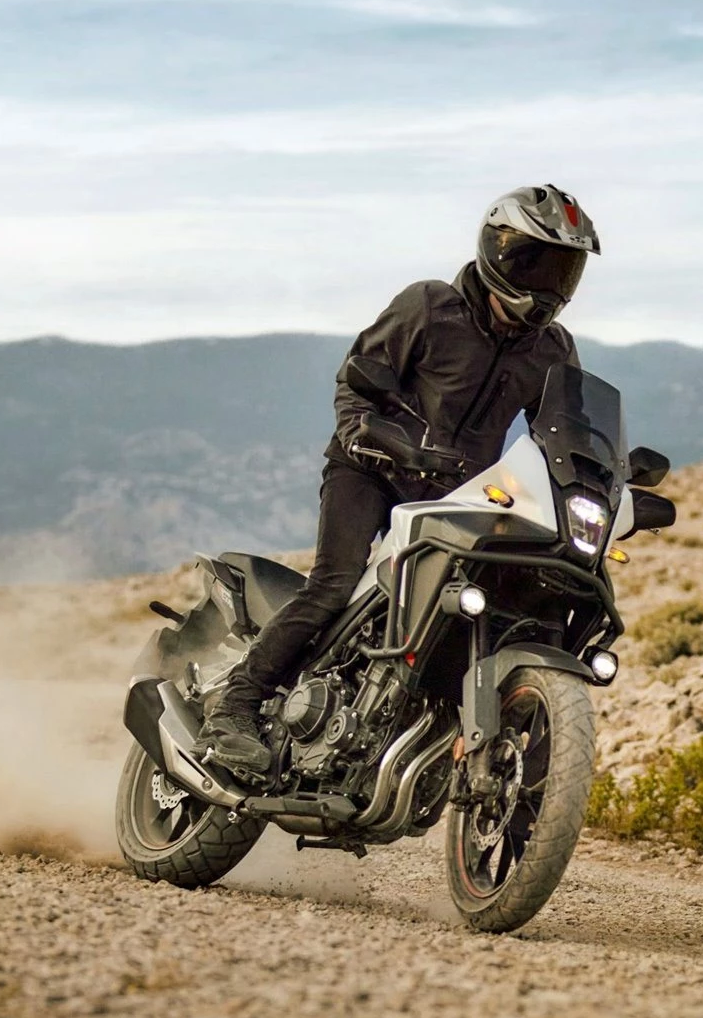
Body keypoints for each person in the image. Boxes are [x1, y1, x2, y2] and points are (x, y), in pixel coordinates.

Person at [202, 184, 601, 774]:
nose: (548, 285)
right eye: (535, 264)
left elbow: (566, 433)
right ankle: (234, 707)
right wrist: (363, 431)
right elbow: (358, 379)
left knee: (487, 605)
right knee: (334, 585)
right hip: (372, 468)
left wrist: (601, 480)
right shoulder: (429, 307)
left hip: (456, 495)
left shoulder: (552, 350)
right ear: (497, 252)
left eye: (562, 270)